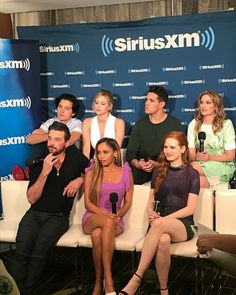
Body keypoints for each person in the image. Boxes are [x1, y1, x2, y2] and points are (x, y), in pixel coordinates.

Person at [8, 122, 89, 294]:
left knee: (40, 249)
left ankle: (27, 290)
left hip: (58, 217)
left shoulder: (75, 158)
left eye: (57, 140)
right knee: (21, 250)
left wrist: (80, 179)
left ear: (67, 143)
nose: (51, 143)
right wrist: (45, 172)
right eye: (50, 138)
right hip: (35, 213)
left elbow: (94, 168)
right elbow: (31, 198)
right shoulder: (39, 161)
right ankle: (12, 290)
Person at [119, 131, 200, 295]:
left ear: (183, 149)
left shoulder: (192, 174)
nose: (168, 151)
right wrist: (151, 212)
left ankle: (136, 278)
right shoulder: (158, 171)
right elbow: (151, 200)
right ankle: (164, 290)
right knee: (163, 240)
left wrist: (162, 219)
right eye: (166, 147)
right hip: (158, 220)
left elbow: (190, 208)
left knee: (159, 226)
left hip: (182, 222)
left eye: (173, 147)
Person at [82, 137, 133, 295]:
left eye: (106, 152)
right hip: (93, 216)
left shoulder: (126, 171)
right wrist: (107, 215)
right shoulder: (92, 172)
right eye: (98, 153)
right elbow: (88, 204)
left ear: (116, 153)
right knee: (105, 224)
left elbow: (127, 202)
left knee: (98, 235)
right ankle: (108, 279)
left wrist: (118, 215)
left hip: (116, 218)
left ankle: (98, 282)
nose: (101, 156)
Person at [126, 85, 183, 185]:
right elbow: (130, 153)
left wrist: (158, 165)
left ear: (161, 104)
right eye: (146, 100)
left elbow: (180, 155)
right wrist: (138, 164)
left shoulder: (175, 125)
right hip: (142, 170)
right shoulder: (139, 125)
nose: (146, 103)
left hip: (166, 168)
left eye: (151, 101)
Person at [187, 90, 235, 188]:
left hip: (222, 164)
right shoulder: (193, 124)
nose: (203, 106)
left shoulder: (226, 125)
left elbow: (230, 156)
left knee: (190, 168)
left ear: (216, 105)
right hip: (200, 163)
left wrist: (210, 158)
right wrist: (197, 157)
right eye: (201, 102)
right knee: (197, 182)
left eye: (208, 102)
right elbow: (191, 154)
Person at [26, 93, 82, 158]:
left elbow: (70, 140)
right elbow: (30, 139)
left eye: (66, 108)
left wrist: (50, 137)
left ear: (73, 113)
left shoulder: (76, 123)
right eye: (60, 106)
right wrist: (52, 137)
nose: (62, 111)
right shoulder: (51, 121)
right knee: (38, 146)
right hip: (51, 155)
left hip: (69, 157)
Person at [82, 90, 125, 159]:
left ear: (109, 106)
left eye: (103, 104)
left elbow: (116, 149)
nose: (98, 106)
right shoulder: (87, 122)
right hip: (95, 163)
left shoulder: (119, 122)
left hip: (113, 162)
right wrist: (86, 167)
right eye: (96, 103)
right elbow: (86, 150)